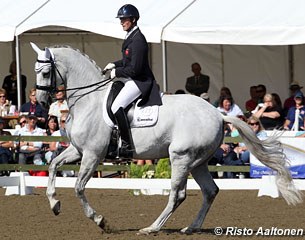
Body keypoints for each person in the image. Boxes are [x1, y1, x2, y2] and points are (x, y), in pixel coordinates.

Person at [103, 4, 162, 158]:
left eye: (124, 19)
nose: (121, 22)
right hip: (132, 78)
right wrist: (114, 64)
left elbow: (135, 69)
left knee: (117, 106)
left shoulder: (138, 40)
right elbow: (127, 60)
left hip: (140, 81)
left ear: (133, 19)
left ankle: (127, 145)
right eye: (121, 19)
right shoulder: (131, 36)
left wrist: (116, 72)